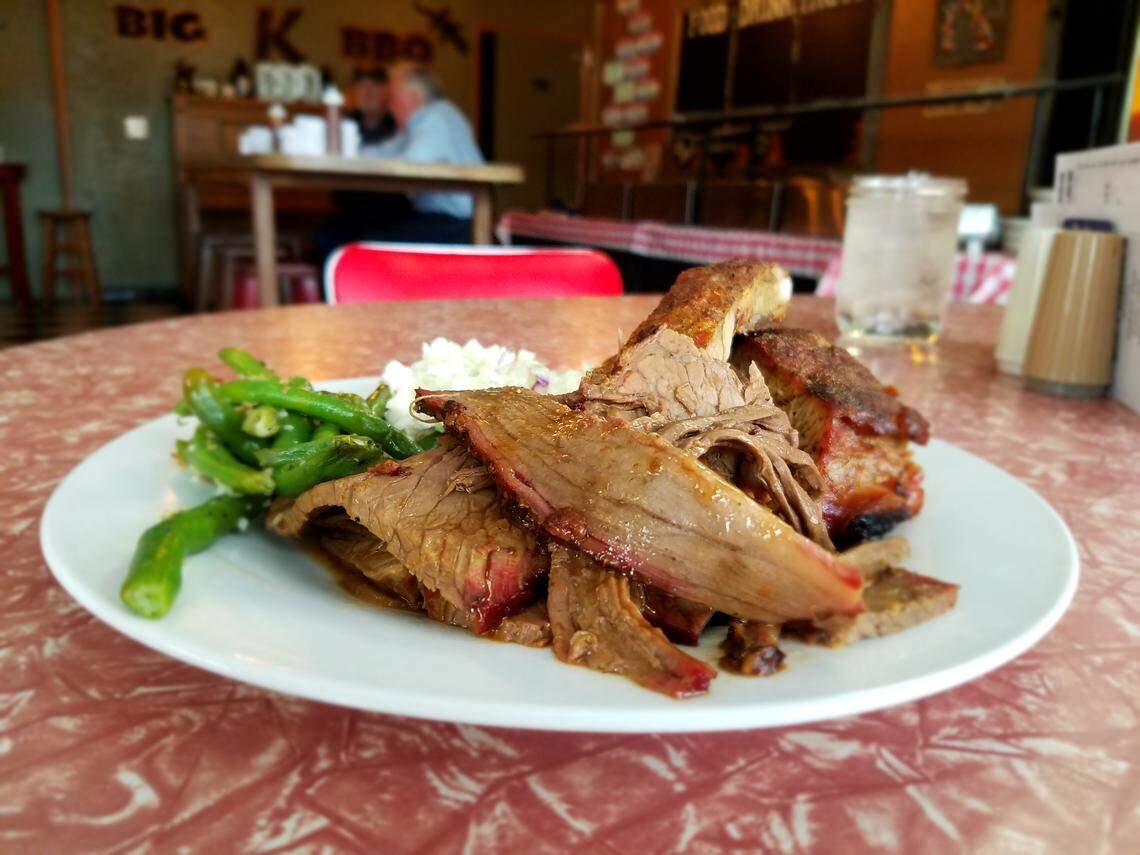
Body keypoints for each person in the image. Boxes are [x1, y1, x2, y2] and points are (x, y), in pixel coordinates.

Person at [347, 67, 396, 146]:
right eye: (361, 87)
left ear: (387, 91)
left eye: (374, 86)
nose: (367, 93)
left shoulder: (398, 127)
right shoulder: (346, 125)